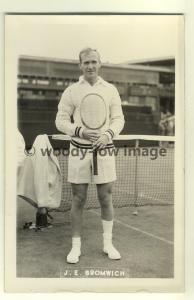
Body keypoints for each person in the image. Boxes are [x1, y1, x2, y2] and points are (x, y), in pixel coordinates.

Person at [55, 47, 125, 263]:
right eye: (86, 62)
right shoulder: (71, 91)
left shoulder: (111, 89)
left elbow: (119, 119)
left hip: (104, 149)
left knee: (106, 198)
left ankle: (108, 244)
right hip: (79, 150)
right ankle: (75, 247)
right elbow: (60, 121)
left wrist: (108, 134)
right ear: (80, 65)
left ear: (100, 63)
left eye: (94, 61)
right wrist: (81, 131)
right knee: (78, 199)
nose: (90, 66)